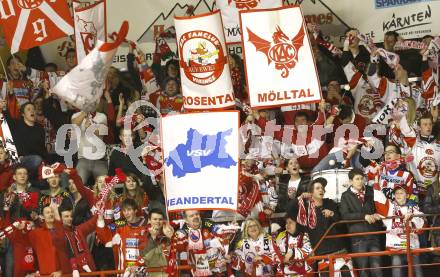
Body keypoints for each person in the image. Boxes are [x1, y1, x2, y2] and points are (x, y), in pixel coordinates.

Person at [296, 178, 353, 276]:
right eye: (317, 188)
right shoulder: (305, 208)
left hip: (339, 250)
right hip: (320, 253)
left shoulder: (330, 203)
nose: (321, 190)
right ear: (311, 192)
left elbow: (341, 223)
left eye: (322, 188)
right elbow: (291, 212)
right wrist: (300, 197)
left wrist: (332, 214)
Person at [340, 168, 383, 277]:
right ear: (351, 181)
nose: (360, 181)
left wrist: (377, 214)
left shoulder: (371, 191)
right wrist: (364, 216)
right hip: (358, 238)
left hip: (374, 235)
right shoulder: (345, 196)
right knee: (363, 270)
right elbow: (345, 216)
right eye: (357, 179)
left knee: (377, 268)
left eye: (361, 179)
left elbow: (380, 207)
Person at [374, 185, 424, 277]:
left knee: (417, 273)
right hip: (396, 247)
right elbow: (380, 201)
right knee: (397, 273)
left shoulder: (414, 208)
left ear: (407, 195)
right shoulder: (390, 207)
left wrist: (412, 216)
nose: (398, 195)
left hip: (412, 246)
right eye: (396, 193)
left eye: (401, 193)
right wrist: (376, 185)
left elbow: (422, 225)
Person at [96, 198, 148, 272]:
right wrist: (100, 216)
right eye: (124, 210)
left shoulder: (147, 226)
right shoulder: (120, 227)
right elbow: (104, 236)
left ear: (136, 210)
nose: (126, 213)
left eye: (129, 210)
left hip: (143, 271)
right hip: (124, 272)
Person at [172, 210, 228, 276]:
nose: (195, 217)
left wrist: (228, 229)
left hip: (217, 268)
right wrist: (171, 235)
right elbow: (178, 247)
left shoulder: (206, 223)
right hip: (199, 271)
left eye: (197, 214)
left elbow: (220, 230)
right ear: (186, 220)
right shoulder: (182, 232)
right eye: (191, 216)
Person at [71, 110, 108, 184]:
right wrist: (84, 113)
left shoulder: (102, 116)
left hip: (99, 160)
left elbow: (104, 131)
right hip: (83, 159)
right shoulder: (76, 115)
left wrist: (90, 128)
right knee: (78, 186)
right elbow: (74, 126)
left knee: (108, 187)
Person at [140, 208, 174, 277]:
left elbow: (171, 257)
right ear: (149, 220)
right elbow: (144, 258)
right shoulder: (144, 235)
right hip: (152, 274)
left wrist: (170, 239)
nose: (158, 221)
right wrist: (153, 237)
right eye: (155, 219)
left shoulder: (168, 233)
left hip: (167, 274)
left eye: (160, 219)